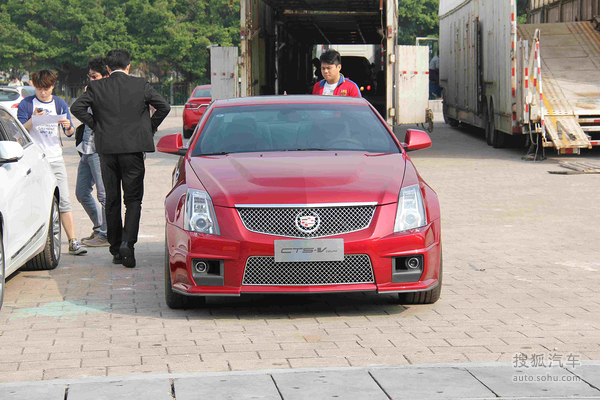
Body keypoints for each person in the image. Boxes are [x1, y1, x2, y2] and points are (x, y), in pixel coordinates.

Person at [71, 49, 170, 268]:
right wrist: (148, 128)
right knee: (133, 200)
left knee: (112, 198)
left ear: (107, 68)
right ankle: (128, 244)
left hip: (107, 150)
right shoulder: (140, 84)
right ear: (128, 66)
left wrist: (96, 125)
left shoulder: (97, 87)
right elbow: (164, 106)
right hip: (134, 151)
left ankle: (115, 249)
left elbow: (76, 107)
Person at [17, 70, 87, 256]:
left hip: (55, 158)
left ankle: (73, 241)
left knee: (63, 200)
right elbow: (20, 133)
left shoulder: (59, 103)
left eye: (46, 88)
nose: (43, 93)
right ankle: (30, 243)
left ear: (53, 86)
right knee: (32, 201)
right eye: (39, 89)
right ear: (34, 86)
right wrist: (34, 119)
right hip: (34, 161)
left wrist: (69, 127)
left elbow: (70, 133)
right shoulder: (26, 104)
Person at [75, 57, 110, 247]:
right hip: (86, 148)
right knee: (81, 192)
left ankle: (106, 234)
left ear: (105, 76)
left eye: (94, 77)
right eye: (90, 77)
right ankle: (99, 227)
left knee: (104, 194)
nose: (91, 80)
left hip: (99, 149)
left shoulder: (107, 93)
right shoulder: (91, 91)